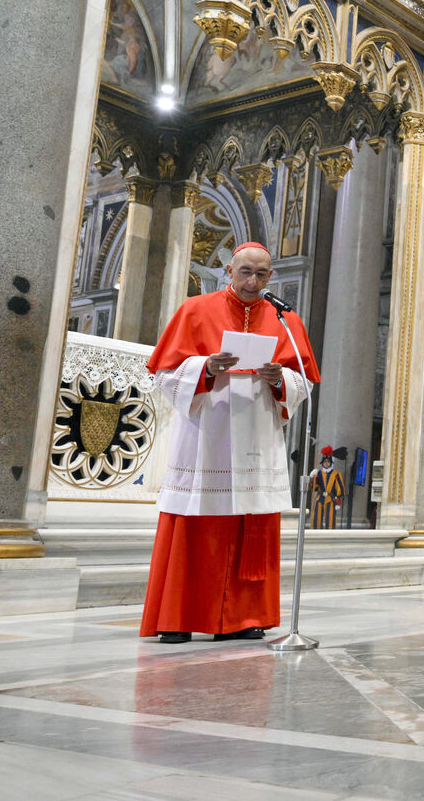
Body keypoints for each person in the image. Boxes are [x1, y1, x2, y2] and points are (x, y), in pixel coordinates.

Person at [140, 241, 320, 644]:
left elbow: (304, 381)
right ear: (228, 270)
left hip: (257, 433)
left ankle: (244, 617)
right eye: (245, 272)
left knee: (250, 524)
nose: (252, 281)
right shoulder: (195, 310)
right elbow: (164, 375)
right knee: (195, 522)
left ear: (271, 275)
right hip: (207, 433)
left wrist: (280, 378)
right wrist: (205, 367)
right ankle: (178, 617)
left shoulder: (285, 319)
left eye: (261, 274)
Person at [308, 446, 345, 530]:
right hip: (319, 498)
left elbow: (340, 489)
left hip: (331, 499)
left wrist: (338, 502)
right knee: (316, 519)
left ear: (331, 463)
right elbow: (314, 488)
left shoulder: (336, 474)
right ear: (322, 463)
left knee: (330, 520)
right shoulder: (318, 473)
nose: (326, 463)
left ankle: (329, 535)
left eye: (328, 462)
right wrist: (311, 477)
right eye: (325, 462)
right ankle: (316, 534)